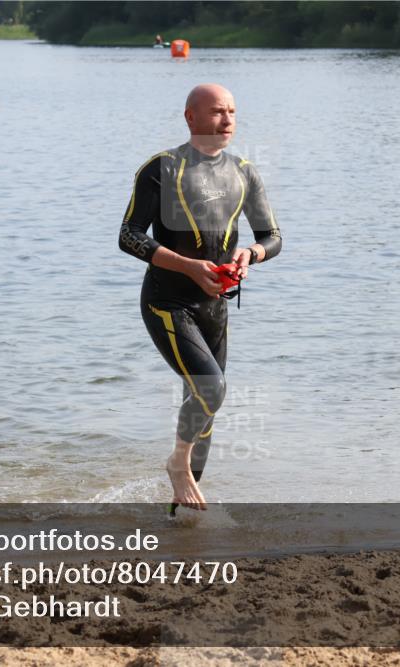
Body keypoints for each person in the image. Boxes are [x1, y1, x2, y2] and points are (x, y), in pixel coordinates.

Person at [118, 83, 282, 510]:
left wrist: (251, 253)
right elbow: (128, 236)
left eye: (231, 111)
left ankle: (181, 516)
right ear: (190, 117)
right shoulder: (162, 168)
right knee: (211, 386)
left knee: (208, 401)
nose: (226, 120)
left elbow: (272, 236)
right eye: (215, 112)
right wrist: (190, 266)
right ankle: (178, 466)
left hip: (216, 305)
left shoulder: (244, 171)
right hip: (167, 302)